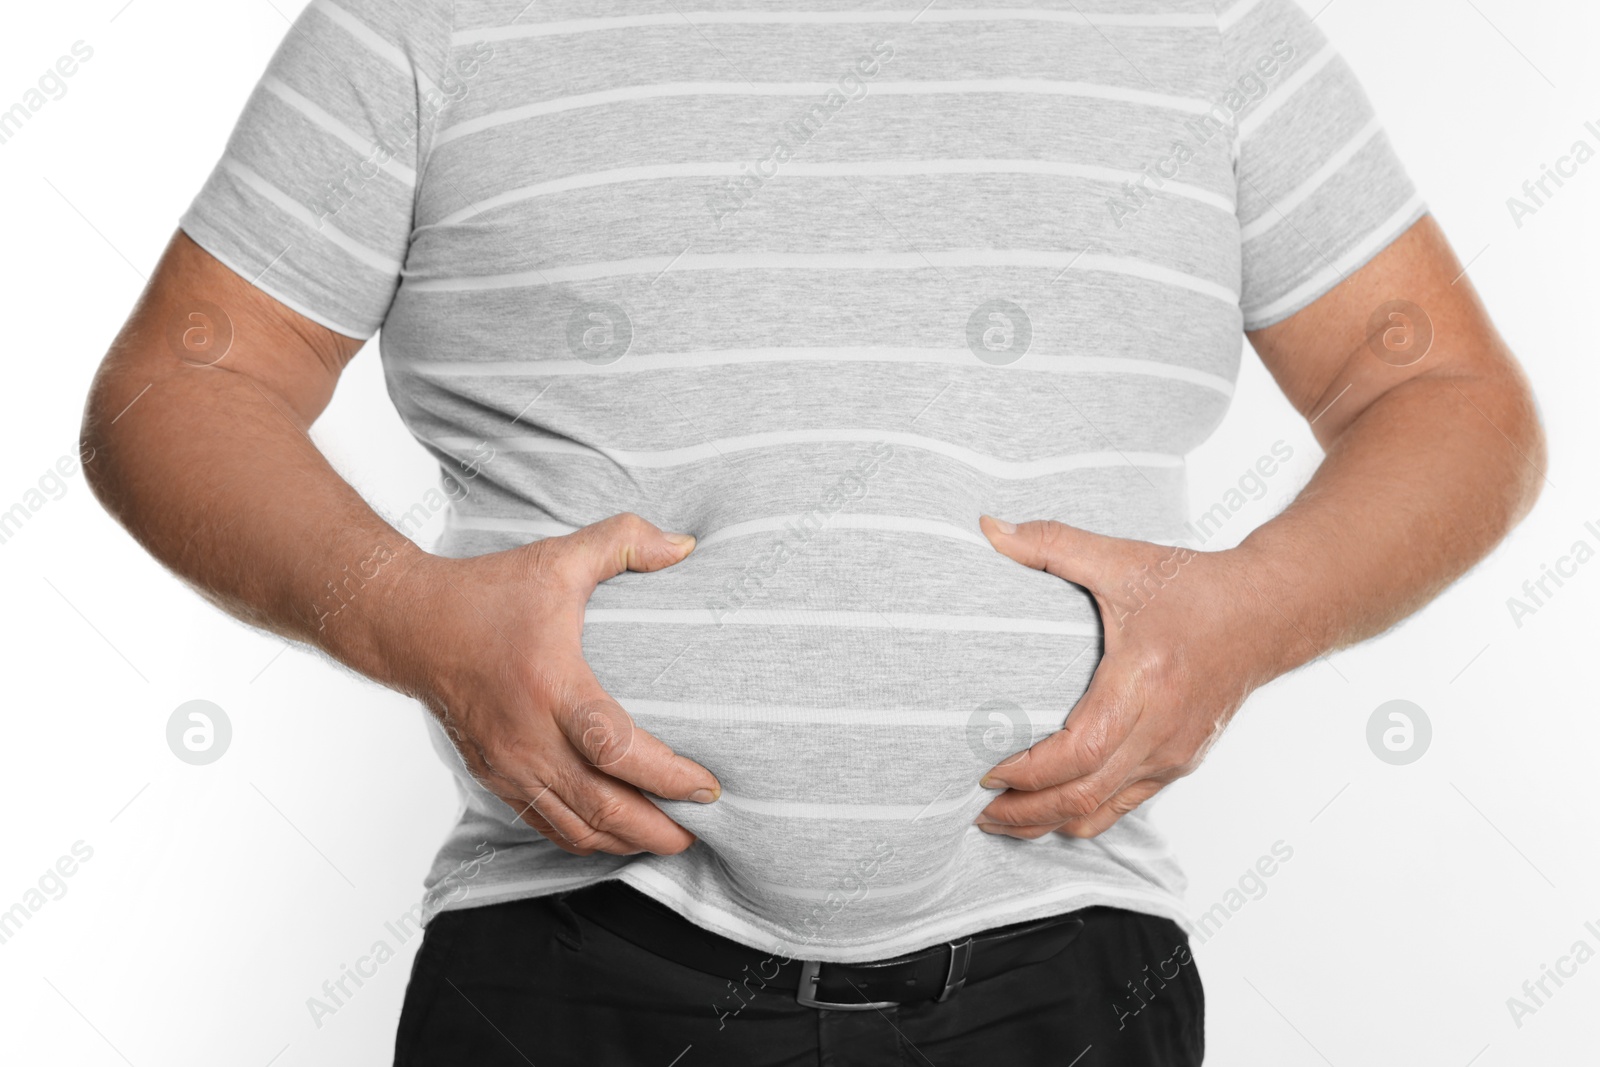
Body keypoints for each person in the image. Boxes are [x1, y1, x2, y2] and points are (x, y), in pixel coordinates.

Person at [80, 1, 1544, 1064]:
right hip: (571, 972)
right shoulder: (426, 24)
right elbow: (179, 389)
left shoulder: (1210, 32)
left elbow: (1446, 397)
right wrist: (407, 618)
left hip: (1065, 982)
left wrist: (1255, 612)